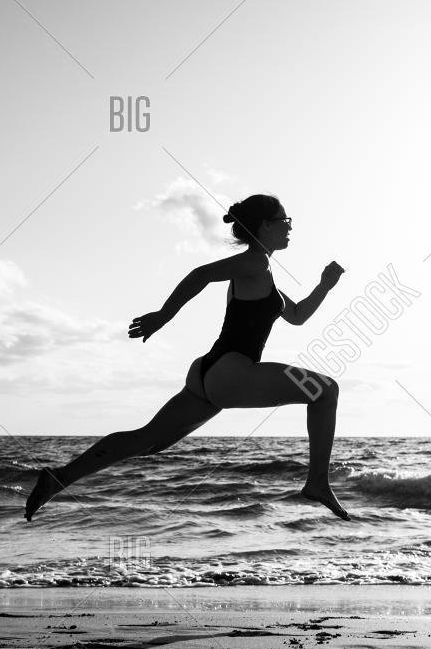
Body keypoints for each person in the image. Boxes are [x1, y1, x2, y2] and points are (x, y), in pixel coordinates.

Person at [24, 194, 350, 521]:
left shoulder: (262, 272)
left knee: (149, 440)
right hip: (234, 370)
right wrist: (163, 316)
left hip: (208, 372)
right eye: (285, 221)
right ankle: (317, 482)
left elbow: (296, 315)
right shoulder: (255, 263)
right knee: (325, 390)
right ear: (265, 226)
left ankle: (60, 477)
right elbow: (200, 274)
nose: (290, 227)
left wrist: (324, 286)